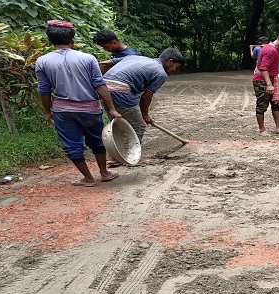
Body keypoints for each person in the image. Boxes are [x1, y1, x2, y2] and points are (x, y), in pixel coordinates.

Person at [35, 20, 121, 187]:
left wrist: (47, 111)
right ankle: (104, 173)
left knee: (72, 145)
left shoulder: (42, 61)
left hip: (63, 111)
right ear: (72, 41)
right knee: (96, 140)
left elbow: (44, 90)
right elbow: (99, 84)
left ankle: (88, 178)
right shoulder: (88, 59)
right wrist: (111, 108)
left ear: (50, 41)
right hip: (90, 109)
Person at [99, 48, 185, 165]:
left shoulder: (135, 57)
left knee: (118, 122)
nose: (175, 69)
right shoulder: (160, 73)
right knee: (137, 125)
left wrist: (101, 82)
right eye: (176, 66)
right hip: (121, 91)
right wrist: (145, 114)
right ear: (170, 61)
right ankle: (123, 157)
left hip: (103, 88)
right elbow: (146, 97)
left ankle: (114, 156)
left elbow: (103, 64)